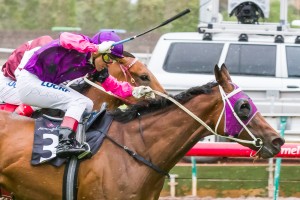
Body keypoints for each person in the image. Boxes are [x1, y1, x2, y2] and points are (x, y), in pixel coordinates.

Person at [14, 31, 153, 158]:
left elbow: (113, 85)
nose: (110, 64)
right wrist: (95, 48)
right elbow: (64, 38)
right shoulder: (79, 42)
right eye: (108, 58)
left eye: (113, 60)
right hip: (29, 82)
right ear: (99, 52)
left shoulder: (93, 67)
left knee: (87, 104)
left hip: (39, 84)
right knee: (78, 102)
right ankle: (64, 142)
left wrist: (134, 91)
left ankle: (74, 139)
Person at [0, 35, 53, 116]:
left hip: (11, 75)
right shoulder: (43, 51)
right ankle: (14, 119)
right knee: (42, 97)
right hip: (7, 80)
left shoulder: (48, 45)